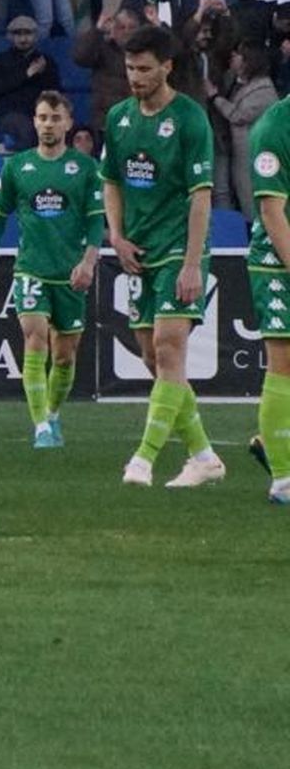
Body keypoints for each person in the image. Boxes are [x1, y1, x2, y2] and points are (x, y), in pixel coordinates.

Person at [100, 25, 224, 489]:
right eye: (130, 68)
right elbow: (111, 180)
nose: (135, 77)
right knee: (153, 359)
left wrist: (193, 264)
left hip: (178, 248)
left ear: (167, 67)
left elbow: (201, 197)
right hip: (138, 251)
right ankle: (204, 455)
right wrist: (116, 235)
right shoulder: (119, 118)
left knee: (171, 349)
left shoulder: (190, 119)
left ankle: (143, 458)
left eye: (145, 69)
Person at [0, 91, 103, 448]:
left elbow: (95, 222)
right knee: (34, 337)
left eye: (55, 118)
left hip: (71, 274)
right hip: (31, 269)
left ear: (68, 123)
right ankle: (40, 425)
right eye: (42, 117)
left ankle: (53, 414)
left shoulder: (86, 169)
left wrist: (89, 261)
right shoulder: (16, 167)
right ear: (34, 121)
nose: (48, 124)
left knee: (64, 354)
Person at [245, 82, 290, 504]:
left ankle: (268, 441)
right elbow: (271, 210)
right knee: (284, 363)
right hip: (277, 259)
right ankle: (283, 480)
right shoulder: (274, 127)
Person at [205, 46, 277, 217]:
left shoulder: (264, 90)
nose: (233, 56)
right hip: (238, 151)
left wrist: (215, 97)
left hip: (251, 153)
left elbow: (238, 115)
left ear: (248, 61)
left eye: (238, 55)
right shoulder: (239, 82)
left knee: (249, 195)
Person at [0, 16, 61, 147]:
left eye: (27, 33)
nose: (23, 38)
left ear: (36, 36)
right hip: (11, 114)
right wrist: (27, 74)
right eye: (18, 34)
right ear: (10, 36)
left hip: (41, 113)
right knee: (27, 127)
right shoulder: (0, 61)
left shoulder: (46, 62)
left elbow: (55, 92)